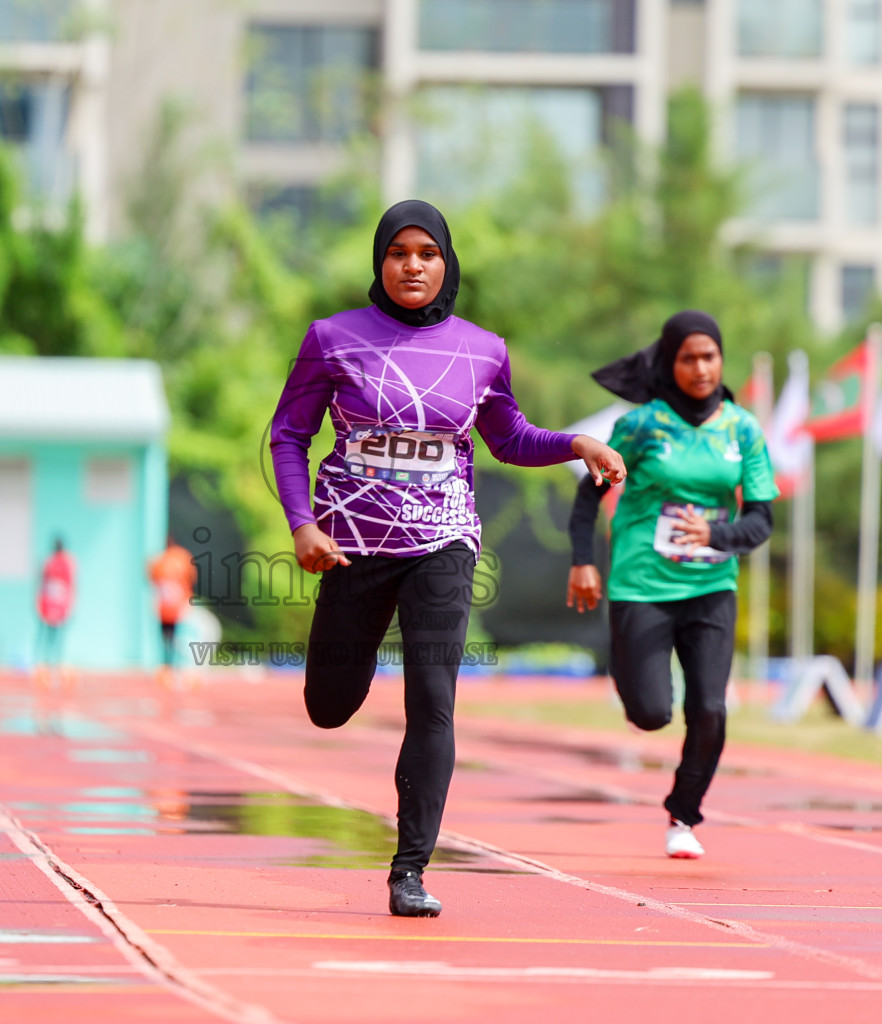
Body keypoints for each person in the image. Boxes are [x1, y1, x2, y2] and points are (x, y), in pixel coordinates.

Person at [271, 200, 626, 918]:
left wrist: (575, 444)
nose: (412, 265)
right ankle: (353, 655)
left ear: (446, 263)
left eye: (427, 253)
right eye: (399, 252)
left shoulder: (483, 349)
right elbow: (286, 435)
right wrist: (303, 525)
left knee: (433, 701)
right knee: (329, 707)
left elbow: (509, 437)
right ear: (381, 261)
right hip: (351, 546)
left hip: (444, 540)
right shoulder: (331, 339)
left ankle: (410, 870)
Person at [570, 311, 777, 860]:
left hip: (712, 586)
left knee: (710, 707)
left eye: (710, 356)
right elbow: (591, 493)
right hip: (642, 582)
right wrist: (582, 559)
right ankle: (630, 669)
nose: (701, 367)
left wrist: (717, 532)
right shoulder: (642, 426)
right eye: (688, 357)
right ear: (669, 362)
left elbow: (760, 520)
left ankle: (684, 813)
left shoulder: (743, 429)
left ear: (721, 360)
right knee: (651, 714)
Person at [148, 537, 197, 669]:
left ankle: (167, 666)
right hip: (179, 608)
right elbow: (192, 577)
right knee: (180, 639)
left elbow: (151, 579)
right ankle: (179, 667)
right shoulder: (183, 557)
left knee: (166, 640)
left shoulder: (158, 560)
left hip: (164, 609)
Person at [35, 537, 75, 677]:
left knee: (58, 635)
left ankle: (57, 663)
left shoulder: (67, 562)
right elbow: (41, 582)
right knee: (47, 635)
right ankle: (44, 663)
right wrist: (39, 602)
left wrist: (70, 604)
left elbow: (71, 585)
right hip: (49, 603)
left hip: (59, 604)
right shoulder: (49, 561)